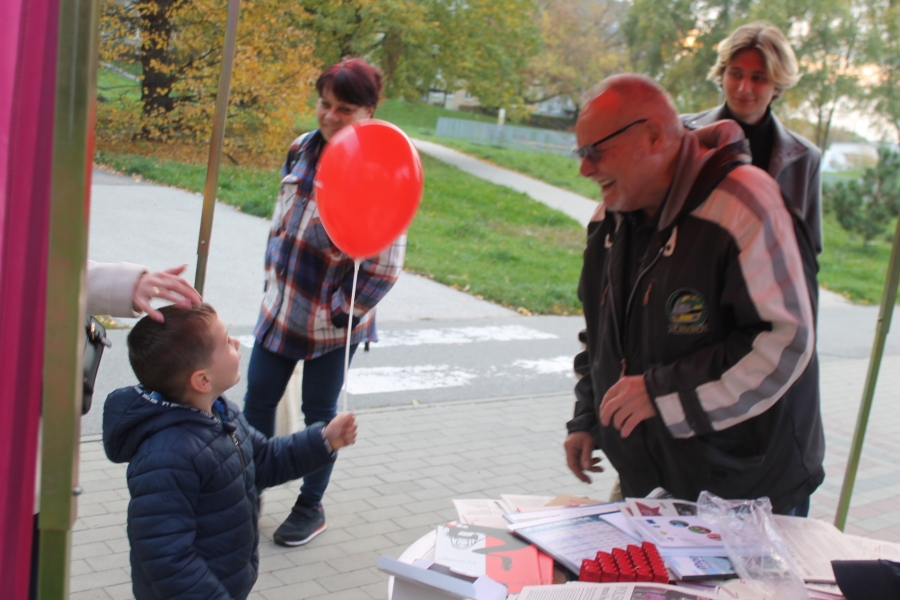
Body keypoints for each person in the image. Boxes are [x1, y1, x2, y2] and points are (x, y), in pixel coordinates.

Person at [563, 74, 824, 516]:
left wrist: (661, 393)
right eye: (580, 153)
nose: (585, 169)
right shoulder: (608, 218)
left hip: (748, 493)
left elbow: (784, 342)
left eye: (596, 151)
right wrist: (588, 417)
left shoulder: (745, 203)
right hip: (650, 480)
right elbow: (600, 335)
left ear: (653, 136)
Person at [242, 57, 405, 547]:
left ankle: (310, 506)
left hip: (334, 323)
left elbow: (386, 266)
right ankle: (245, 495)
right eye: (324, 104)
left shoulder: (379, 171)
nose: (330, 116)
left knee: (321, 416)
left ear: (370, 111)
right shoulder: (301, 148)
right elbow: (281, 223)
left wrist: (341, 313)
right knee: (256, 403)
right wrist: (271, 280)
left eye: (345, 109)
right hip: (281, 308)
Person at [102, 303, 358, 599]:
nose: (236, 343)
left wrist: (324, 440)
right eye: (226, 342)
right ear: (203, 380)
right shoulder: (166, 457)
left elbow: (263, 460)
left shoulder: (222, 413)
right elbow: (168, 561)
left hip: (225, 579)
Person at [682, 22, 822, 258]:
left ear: (777, 86)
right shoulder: (682, 133)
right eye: (736, 74)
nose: (744, 88)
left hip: (760, 279)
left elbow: (807, 250)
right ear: (722, 74)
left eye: (758, 78)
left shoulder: (806, 159)